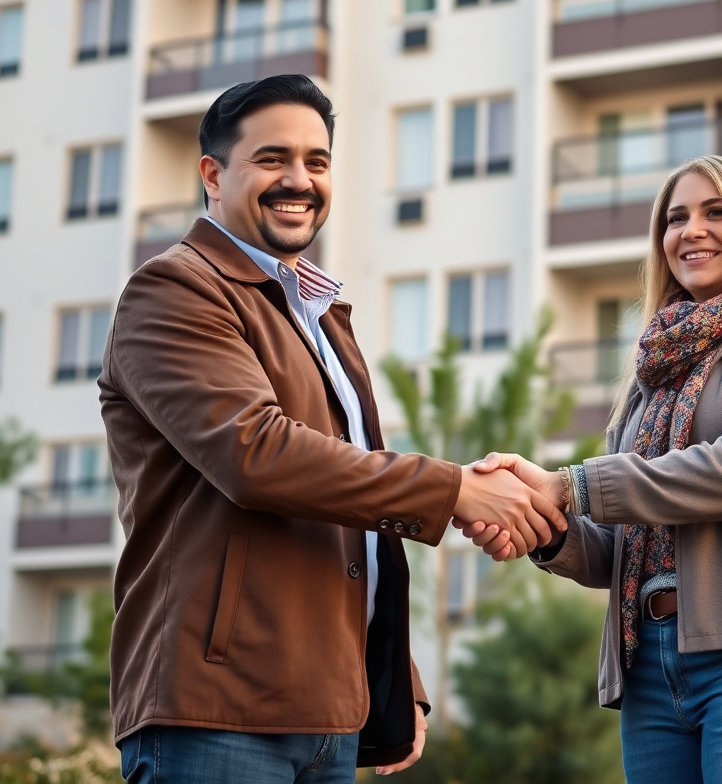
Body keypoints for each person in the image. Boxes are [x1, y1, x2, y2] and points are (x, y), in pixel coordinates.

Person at [99, 74, 566, 784]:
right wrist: (457, 491)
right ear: (212, 175)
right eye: (272, 159)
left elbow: (350, 509)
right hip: (217, 709)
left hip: (328, 712)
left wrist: (394, 674)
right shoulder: (174, 289)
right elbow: (256, 455)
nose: (299, 180)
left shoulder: (320, 316)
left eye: (316, 162)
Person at [457, 156, 722, 784]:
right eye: (675, 218)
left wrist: (571, 485)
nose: (689, 230)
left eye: (714, 211)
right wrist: (543, 525)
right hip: (648, 665)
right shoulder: (652, 371)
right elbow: (618, 547)